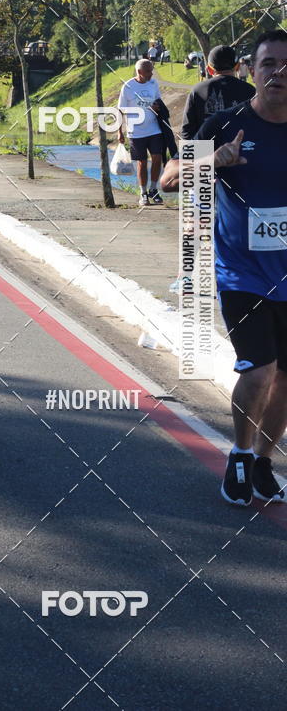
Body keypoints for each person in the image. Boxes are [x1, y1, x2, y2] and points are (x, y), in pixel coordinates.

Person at [161, 29, 287, 505]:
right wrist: (214, 160)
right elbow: (168, 180)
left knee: (286, 380)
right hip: (242, 274)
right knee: (259, 371)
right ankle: (238, 452)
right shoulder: (224, 123)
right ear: (250, 71)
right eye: (269, 63)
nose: (278, 73)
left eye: (286, 64)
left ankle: (263, 460)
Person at [117, 59, 176, 206]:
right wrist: (119, 132)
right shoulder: (128, 87)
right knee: (142, 163)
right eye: (148, 71)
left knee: (157, 158)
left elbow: (157, 102)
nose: (151, 73)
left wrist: (157, 108)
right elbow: (119, 110)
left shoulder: (153, 84)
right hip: (135, 132)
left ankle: (153, 189)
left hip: (154, 129)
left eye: (152, 70)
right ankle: (143, 193)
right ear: (139, 72)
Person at [181, 44, 256, 140]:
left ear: (209, 70)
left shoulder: (197, 91)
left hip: (205, 151)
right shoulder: (250, 90)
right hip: (240, 149)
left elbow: (187, 132)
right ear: (237, 67)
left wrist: (200, 153)